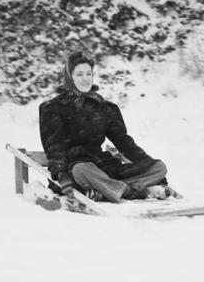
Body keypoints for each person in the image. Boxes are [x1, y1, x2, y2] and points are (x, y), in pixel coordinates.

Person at [39, 51, 172, 203]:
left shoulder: (104, 108)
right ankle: (130, 190)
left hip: (105, 167)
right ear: (70, 77)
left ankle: (111, 190)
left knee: (160, 166)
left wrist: (149, 164)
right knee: (82, 170)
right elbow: (54, 147)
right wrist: (61, 175)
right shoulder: (54, 108)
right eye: (80, 74)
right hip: (77, 166)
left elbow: (124, 142)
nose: (85, 79)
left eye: (88, 74)